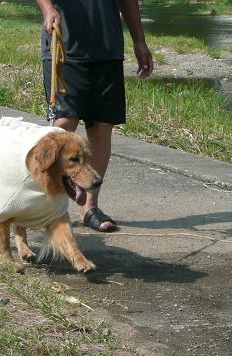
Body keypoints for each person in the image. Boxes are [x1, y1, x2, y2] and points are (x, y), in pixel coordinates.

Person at [36, 0, 154, 232]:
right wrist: (48, 9)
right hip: (65, 46)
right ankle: (45, 207)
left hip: (107, 48)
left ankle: (90, 208)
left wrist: (139, 41)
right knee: (63, 124)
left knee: (101, 127)